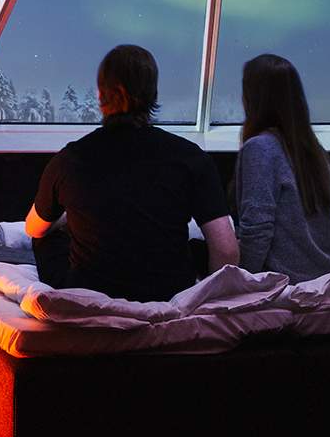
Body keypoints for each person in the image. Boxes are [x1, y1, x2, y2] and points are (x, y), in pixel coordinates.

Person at [25, 44, 239, 301]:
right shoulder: (190, 157)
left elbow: (34, 228)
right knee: (193, 250)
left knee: (44, 238)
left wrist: (66, 222)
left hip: (90, 290)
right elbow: (226, 250)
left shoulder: (71, 159)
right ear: (153, 93)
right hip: (169, 291)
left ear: (100, 94)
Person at [233, 53, 330, 279]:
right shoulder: (311, 149)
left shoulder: (260, 148)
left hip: (292, 278)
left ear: (253, 97)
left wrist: (241, 280)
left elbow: (257, 230)